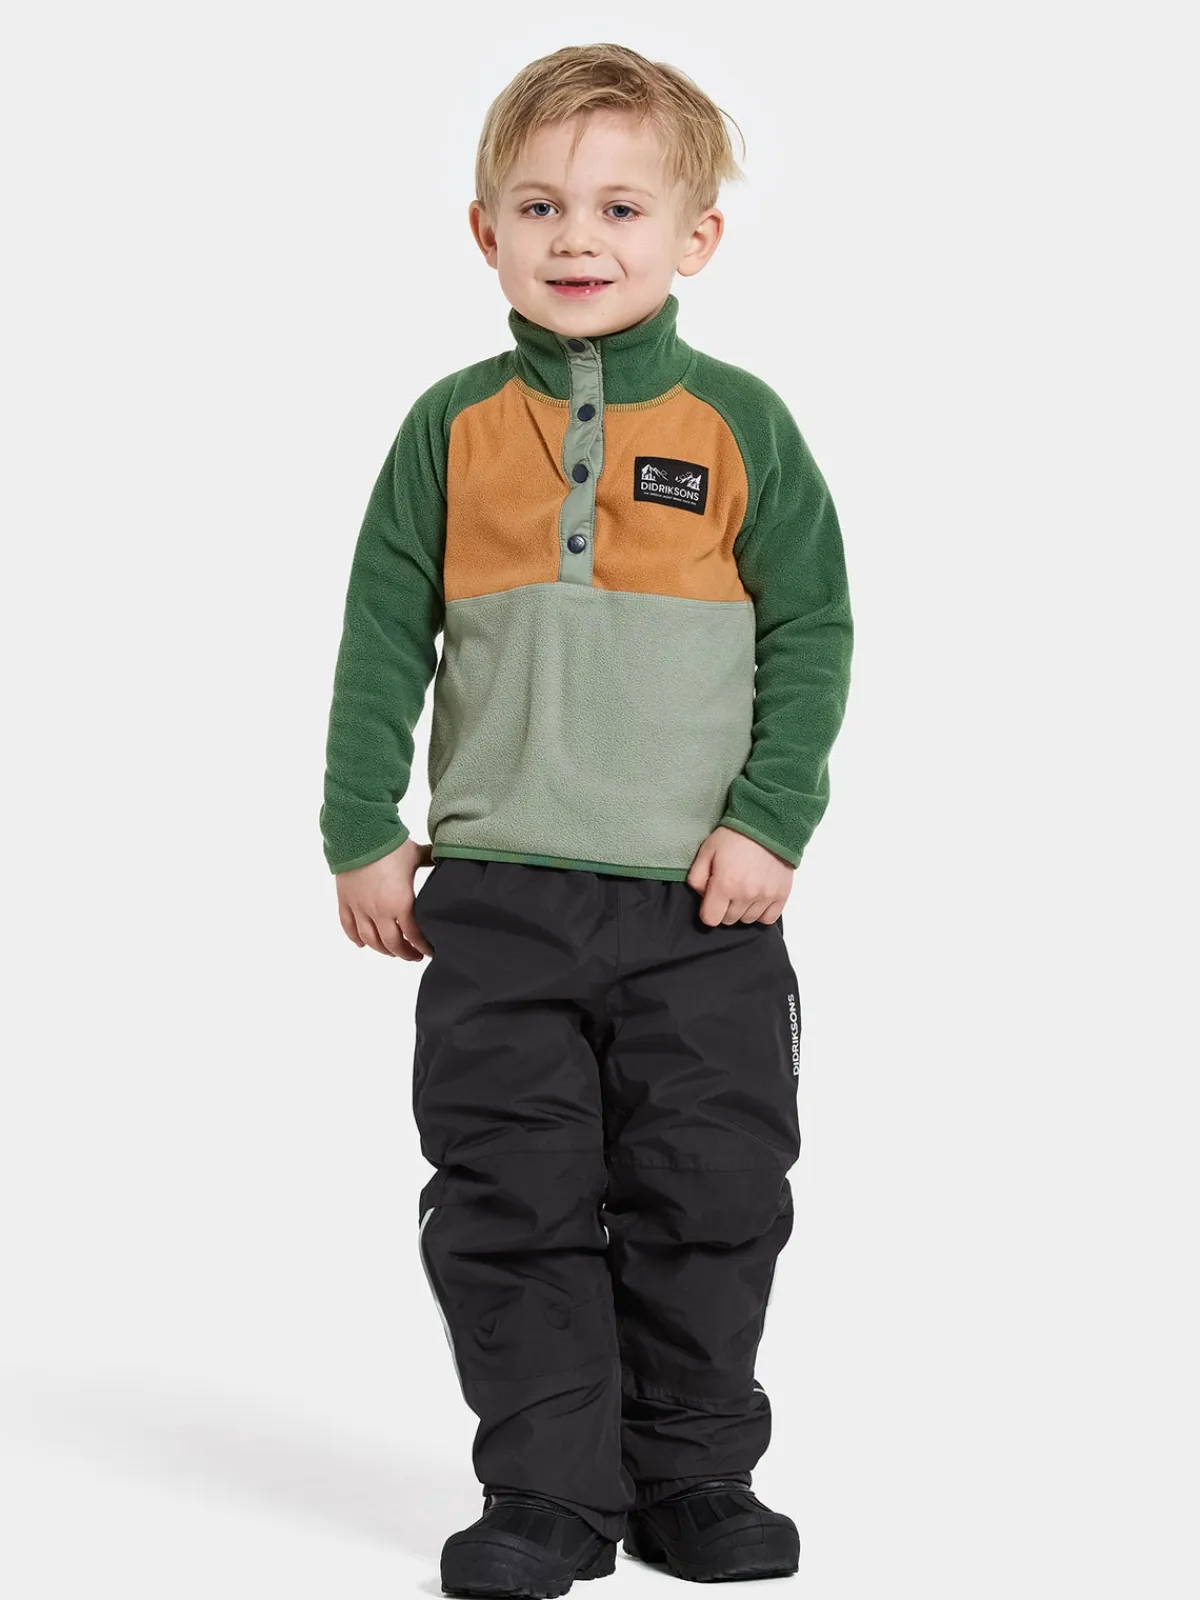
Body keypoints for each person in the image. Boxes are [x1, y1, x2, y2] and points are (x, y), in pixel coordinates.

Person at [319, 41, 854, 1597]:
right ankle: (548, 1491)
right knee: (508, 1196)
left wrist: (771, 822)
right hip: (498, 897)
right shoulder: (448, 429)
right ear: (483, 228)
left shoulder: (743, 424)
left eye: (621, 208)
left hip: (702, 904)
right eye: (541, 204)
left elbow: (812, 632)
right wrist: (360, 827)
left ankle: (692, 1472)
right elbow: (382, 636)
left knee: (713, 1191)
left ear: (695, 238)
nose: (577, 238)